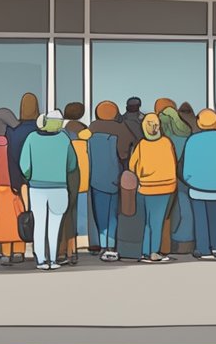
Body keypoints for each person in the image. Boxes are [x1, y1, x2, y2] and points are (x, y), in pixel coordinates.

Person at [20, 109, 77, 271]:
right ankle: (53, 259)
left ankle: (41, 260)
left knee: (39, 224)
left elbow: (24, 166)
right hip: (59, 187)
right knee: (55, 226)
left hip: (37, 188)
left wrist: (31, 176)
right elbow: (72, 165)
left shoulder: (31, 138)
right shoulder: (64, 139)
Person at [182, 108, 216, 261]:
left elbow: (187, 166)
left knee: (200, 220)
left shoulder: (192, 140)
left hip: (197, 188)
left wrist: (190, 179)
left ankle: (203, 249)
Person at [87, 101, 135, 262]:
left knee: (99, 213)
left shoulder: (91, 128)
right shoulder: (121, 129)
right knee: (113, 213)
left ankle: (101, 244)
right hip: (114, 176)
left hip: (95, 178)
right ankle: (111, 246)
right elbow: (126, 151)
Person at [129, 112, 176, 263]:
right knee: (157, 221)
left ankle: (145, 252)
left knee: (147, 222)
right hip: (166, 187)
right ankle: (154, 252)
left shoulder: (141, 145)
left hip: (146, 187)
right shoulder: (167, 143)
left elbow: (132, 165)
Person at [0, 109, 25, 266]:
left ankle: (6, 253)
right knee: (18, 217)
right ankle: (19, 251)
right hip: (14, 186)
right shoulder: (11, 142)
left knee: (2, 222)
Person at [157, 101, 193, 256]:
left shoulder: (162, 140)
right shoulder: (187, 134)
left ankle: (165, 244)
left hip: (165, 179)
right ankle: (186, 242)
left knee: (167, 213)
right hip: (185, 179)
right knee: (186, 210)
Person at [58, 102, 89, 264]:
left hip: (63, 176)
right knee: (74, 214)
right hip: (82, 177)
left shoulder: (60, 132)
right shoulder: (85, 131)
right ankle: (72, 250)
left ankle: (64, 251)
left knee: (64, 214)